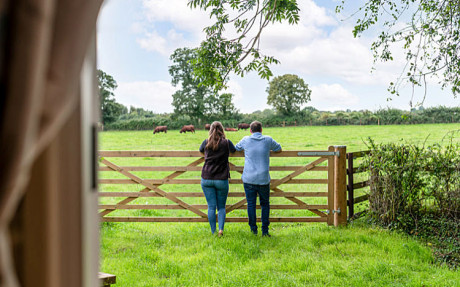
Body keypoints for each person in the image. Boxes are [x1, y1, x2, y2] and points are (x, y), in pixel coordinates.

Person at [235, 121, 282, 237]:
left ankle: (253, 230)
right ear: (261, 130)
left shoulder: (246, 139)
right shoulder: (268, 140)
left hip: (249, 178)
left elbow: (236, 148)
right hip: (263, 178)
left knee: (251, 204)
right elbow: (279, 148)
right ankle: (265, 231)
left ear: (250, 130)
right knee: (265, 204)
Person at [199, 121, 236, 236]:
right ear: (222, 130)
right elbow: (234, 150)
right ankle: (221, 230)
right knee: (221, 207)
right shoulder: (226, 143)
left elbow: (200, 150)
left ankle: (213, 231)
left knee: (211, 207)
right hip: (221, 178)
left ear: (210, 130)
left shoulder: (206, 142)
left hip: (206, 177)